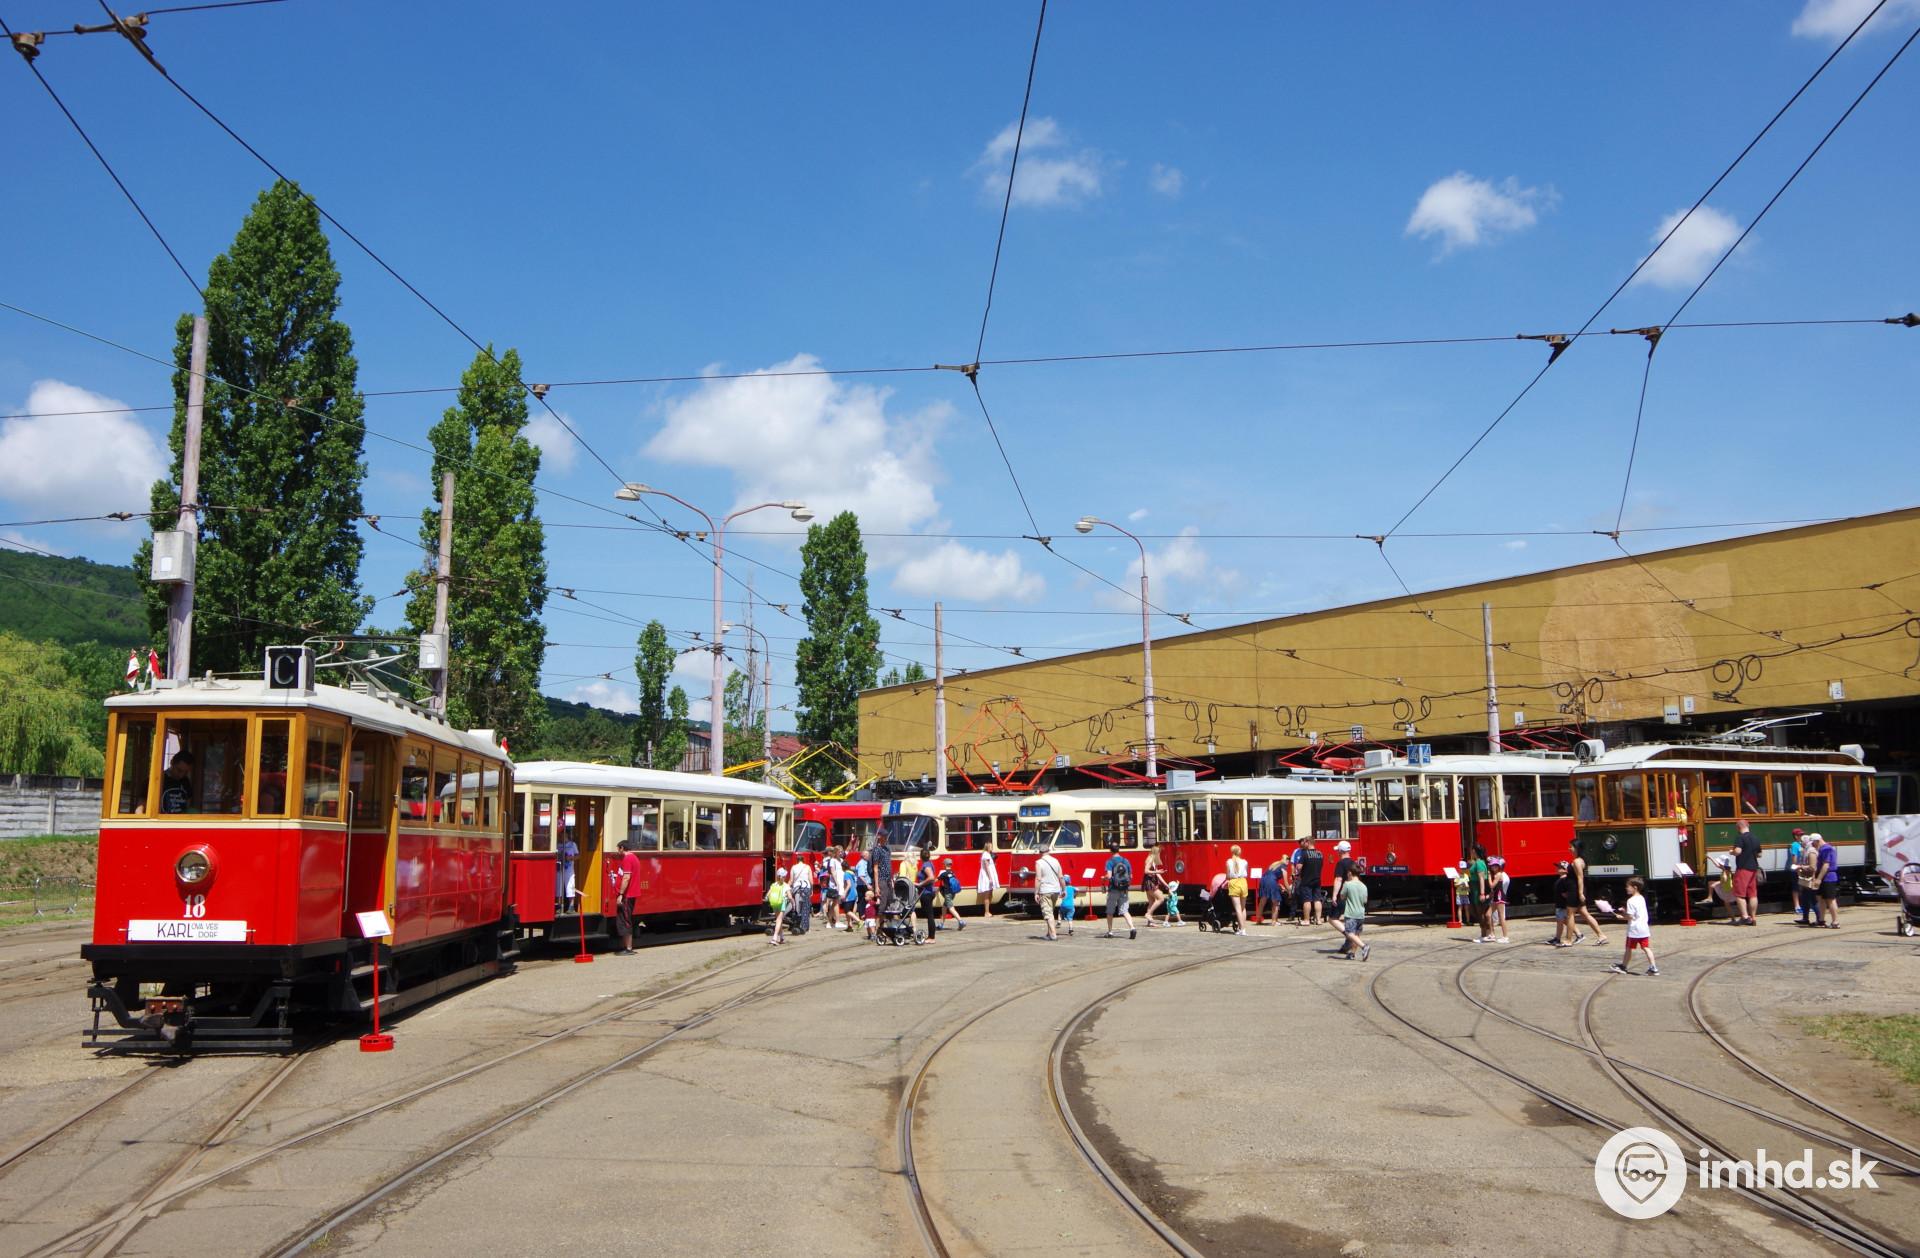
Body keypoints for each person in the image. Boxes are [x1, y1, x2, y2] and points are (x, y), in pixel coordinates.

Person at [1610, 876, 1659, 976]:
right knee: (1646, 948)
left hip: (1634, 930)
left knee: (1628, 948)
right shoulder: (1641, 898)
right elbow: (1637, 913)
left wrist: (1621, 916)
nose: (1626, 888)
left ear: (1635, 887)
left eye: (1628, 887)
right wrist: (1625, 911)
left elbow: (1630, 917)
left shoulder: (1631, 901)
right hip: (1644, 928)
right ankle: (1653, 967)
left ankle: (1623, 966)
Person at [1568, 838, 1609, 945]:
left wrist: (1580, 893)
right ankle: (1601, 935)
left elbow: (1580, 878)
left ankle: (1568, 939)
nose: (1569, 849)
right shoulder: (1581, 860)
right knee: (1585, 914)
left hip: (1576, 890)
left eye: (1571, 847)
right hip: (1577, 889)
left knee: (1570, 914)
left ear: (1576, 848)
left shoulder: (1577, 861)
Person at [611, 839, 642, 954]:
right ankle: (627, 947)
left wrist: (621, 894)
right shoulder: (633, 858)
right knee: (624, 919)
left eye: (618, 849)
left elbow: (626, 877)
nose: (617, 851)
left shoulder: (628, 858)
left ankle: (628, 948)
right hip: (628, 894)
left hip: (627, 895)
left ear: (622, 848)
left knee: (625, 919)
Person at [1102, 840, 1137, 940]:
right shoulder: (1126, 861)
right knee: (1125, 910)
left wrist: (1103, 878)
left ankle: (1110, 932)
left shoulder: (1109, 862)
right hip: (1124, 889)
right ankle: (1132, 928)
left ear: (1110, 850)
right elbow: (1131, 876)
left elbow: (1109, 876)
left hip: (1113, 889)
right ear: (1119, 849)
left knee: (1110, 911)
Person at [1335, 866, 1370, 961]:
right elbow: (1365, 900)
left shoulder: (1347, 884)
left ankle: (1364, 946)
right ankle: (1352, 954)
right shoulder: (1363, 886)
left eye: (1347, 873)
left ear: (1350, 873)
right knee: (1356, 935)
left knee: (1349, 933)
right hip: (1361, 914)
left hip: (1351, 913)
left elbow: (1342, 897)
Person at [1732, 818, 1762, 926]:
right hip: (1753, 868)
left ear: (1738, 827)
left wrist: (1732, 852)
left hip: (1743, 868)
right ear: (1748, 826)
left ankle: (1745, 917)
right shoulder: (1756, 838)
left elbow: (1738, 851)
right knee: (1753, 894)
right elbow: (1759, 855)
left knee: (1740, 895)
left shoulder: (1740, 838)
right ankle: (1753, 917)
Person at [1034, 844, 1065, 940]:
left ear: (1040, 852)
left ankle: (1053, 934)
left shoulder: (1038, 863)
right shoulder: (1056, 861)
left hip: (1045, 890)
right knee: (1050, 911)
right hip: (1056, 890)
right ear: (1049, 850)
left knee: (1048, 913)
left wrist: (1036, 892)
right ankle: (1048, 933)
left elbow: (1038, 878)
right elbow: (1061, 876)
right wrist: (1064, 889)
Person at [1466, 843, 1494, 942]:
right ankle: (1486, 934)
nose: (1470, 852)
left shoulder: (1479, 863)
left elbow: (1481, 878)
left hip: (1478, 889)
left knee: (1480, 912)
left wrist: (1482, 893)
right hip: (1475, 888)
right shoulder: (1478, 862)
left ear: (1474, 851)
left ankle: (1485, 934)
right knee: (1479, 912)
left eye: (1471, 850)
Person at [1813, 832, 1841, 928]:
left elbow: (1826, 865)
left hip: (1828, 877)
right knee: (1821, 898)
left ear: (1817, 841)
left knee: (1830, 900)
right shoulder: (1823, 849)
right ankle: (1821, 920)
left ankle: (1835, 921)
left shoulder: (1826, 849)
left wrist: (1819, 879)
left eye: (1813, 843)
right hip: (1825, 877)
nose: (1813, 845)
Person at [1296, 838, 1326, 927]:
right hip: (1317, 879)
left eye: (1304, 842)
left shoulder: (1304, 854)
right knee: (1317, 899)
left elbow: (1299, 867)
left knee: (1307, 900)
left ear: (1308, 842)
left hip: (1306, 880)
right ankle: (1318, 920)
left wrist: (1298, 867)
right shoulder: (1320, 854)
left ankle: (1306, 920)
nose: (1303, 844)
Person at [913, 846, 940, 942]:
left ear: (920, 857)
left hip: (926, 892)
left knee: (930, 915)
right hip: (928, 892)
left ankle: (931, 937)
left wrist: (920, 884)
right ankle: (931, 936)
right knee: (929, 915)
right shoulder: (929, 864)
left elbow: (931, 877)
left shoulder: (926, 866)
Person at [1223, 844, 1251, 935]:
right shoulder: (1245, 862)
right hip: (1243, 882)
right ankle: (1243, 928)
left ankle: (1241, 929)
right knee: (1243, 908)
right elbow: (1246, 871)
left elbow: (1227, 875)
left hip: (1234, 882)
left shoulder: (1229, 862)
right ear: (1240, 852)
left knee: (1238, 908)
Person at [1787, 829, 1813, 925]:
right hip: (1797, 868)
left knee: (1803, 887)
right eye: (1799, 835)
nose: (1801, 836)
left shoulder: (1803, 844)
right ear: (1795, 836)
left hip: (1801, 867)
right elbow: (1794, 857)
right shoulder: (1795, 845)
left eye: (1802, 834)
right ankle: (1797, 906)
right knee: (1796, 888)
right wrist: (1796, 867)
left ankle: (1804, 905)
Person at [789, 852, 816, 936]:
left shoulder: (793, 867)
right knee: (805, 908)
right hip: (806, 888)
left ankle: (797, 925)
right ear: (803, 860)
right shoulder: (807, 867)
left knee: (797, 908)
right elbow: (811, 880)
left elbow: (791, 880)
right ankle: (805, 927)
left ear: (797, 860)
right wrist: (812, 889)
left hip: (797, 889)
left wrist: (787, 888)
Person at [819, 846, 844, 931]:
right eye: (840, 851)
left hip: (840, 883)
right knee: (835, 903)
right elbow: (833, 872)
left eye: (842, 851)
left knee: (835, 903)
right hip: (835, 884)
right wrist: (837, 883)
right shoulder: (833, 861)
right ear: (836, 852)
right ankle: (835, 921)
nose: (841, 853)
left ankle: (831, 922)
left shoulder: (841, 860)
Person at [1143, 849, 1170, 925]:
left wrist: (1165, 884)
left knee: (1151, 902)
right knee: (1161, 898)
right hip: (1150, 883)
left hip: (1150, 882)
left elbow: (1158, 874)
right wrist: (1157, 871)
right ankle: (1148, 914)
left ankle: (1149, 922)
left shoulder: (1153, 860)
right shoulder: (1150, 859)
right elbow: (1146, 871)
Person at [938, 858, 966, 931]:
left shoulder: (943, 874)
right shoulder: (952, 873)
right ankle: (941, 924)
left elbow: (936, 880)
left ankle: (961, 921)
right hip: (953, 893)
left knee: (951, 908)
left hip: (947, 893)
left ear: (945, 865)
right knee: (944, 907)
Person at [555, 829, 579, 916]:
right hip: (559, 867)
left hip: (569, 868)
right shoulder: (557, 844)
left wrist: (571, 858)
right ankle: (558, 905)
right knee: (558, 885)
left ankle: (571, 906)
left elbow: (577, 855)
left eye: (563, 835)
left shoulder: (572, 845)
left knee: (570, 885)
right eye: (560, 836)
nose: (562, 837)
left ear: (567, 835)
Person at [975, 843, 1002, 918]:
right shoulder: (986, 855)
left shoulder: (986, 854)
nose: (992, 848)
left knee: (990, 893)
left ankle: (988, 911)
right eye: (991, 847)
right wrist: (990, 878)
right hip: (987, 876)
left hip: (988, 876)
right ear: (988, 847)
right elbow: (987, 867)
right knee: (987, 894)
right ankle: (986, 912)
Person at [1488, 857, 1511, 943]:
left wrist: (1489, 877)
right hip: (1495, 897)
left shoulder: (1498, 874)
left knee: (1501, 917)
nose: (1493, 867)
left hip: (1499, 897)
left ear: (1498, 866)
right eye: (1492, 866)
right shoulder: (1496, 874)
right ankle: (1492, 934)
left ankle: (1505, 937)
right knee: (1488, 914)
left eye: (1495, 866)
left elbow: (1492, 886)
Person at [1551, 860, 1574, 947]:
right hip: (1560, 904)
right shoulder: (1562, 879)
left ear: (1565, 869)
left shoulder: (1564, 880)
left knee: (1561, 921)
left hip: (1562, 904)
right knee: (1563, 921)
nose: (1557, 869)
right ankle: (1578, 935)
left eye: (1560, 867)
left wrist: (1565, 899)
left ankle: (1558, 938)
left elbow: (1565, 893)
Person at [767, 867, 790, 945]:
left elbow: (768, 894)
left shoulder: (774, 885)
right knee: (779, 920)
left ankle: (782, 938)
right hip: (781, 903)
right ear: (783, 876)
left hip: (774, 904)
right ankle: (775, 937)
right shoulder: (786, 885)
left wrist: (768, 899)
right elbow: (790, 896)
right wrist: (793, 902)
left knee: (778, 920)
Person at [1255, 860, 1281, 926]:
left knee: (1262, 902)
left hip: (1263, 881)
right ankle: (1274, 921)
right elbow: (1285, 882)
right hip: (1271, 882)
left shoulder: (1271, 867)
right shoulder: (1283, 867)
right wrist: (1289, 891)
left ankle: (1258, 920)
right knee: (1275, 902)